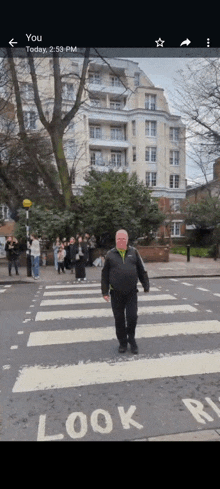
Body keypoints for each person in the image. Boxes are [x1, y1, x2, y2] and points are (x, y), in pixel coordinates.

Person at [101, 229, 150, 354]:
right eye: (119, 239)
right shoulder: (110, 254)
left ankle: (131, 340)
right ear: (116, 240)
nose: (121, 241)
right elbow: (105, 274)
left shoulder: (134, 252)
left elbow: (141, 269)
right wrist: (104, 291)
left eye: (123, 239)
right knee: (119, 319)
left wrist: (146, 284)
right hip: (116, 293)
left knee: (132, 317)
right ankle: (122, 343)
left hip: (131, 293)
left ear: (127, 240)